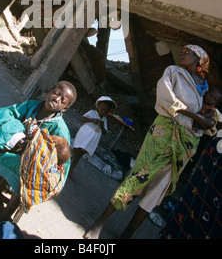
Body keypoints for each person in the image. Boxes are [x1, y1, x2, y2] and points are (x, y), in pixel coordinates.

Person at [84, 45, 215, 239]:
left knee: (158, 189)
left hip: (185, 143)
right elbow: (165, 95)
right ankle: (99, 223)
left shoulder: (204, 89)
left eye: (188, 52)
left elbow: (209, 120)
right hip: (163, 131)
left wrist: (202, 120)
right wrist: (190, 113)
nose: (182, 53)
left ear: (198, 59)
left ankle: (128, 233)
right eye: (183, 50)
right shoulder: (173, 72)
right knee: (139, 174)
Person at [69, 96, 117, 175]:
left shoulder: (104, 120)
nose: (103, 112)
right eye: (102, 109)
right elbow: (83, 119)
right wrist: (92, 120)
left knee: (79, 155)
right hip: (85, 135)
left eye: (106, 112)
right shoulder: (92, 113)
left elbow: (104, 132)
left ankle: (70, 170)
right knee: (75, 151)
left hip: (92, 140)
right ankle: (65, 166)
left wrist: (102, 125)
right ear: (98, 106)